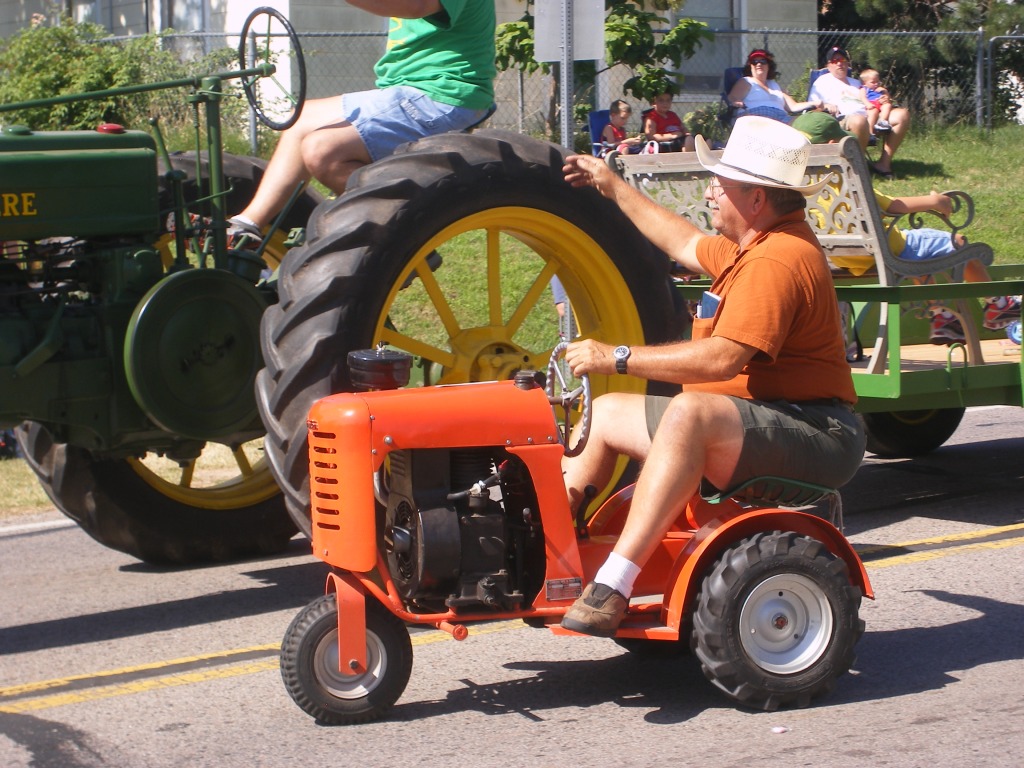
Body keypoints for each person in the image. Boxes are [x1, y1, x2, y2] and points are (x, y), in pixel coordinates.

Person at [557, 116, 865, 636]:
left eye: (719, 184)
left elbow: (722, 360)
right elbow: (681, 240)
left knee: (689, 412)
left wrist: (617, 356)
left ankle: (613, 582)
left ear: (756, 199)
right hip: (766, 419)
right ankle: (551, 547)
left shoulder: (779, 260)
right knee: (607, 414)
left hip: (817, 432)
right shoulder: (754, 246)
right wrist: (614, 189)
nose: (709, 191)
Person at [224, 0, 496, 248]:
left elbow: (416, 5)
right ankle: (246, 226)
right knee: (302, 118)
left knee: (324, 151)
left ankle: (404, 236)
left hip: (443, 96)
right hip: (407, 91)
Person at [790, 111, 1022, 344]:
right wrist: (936, 202)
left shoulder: (799, 183)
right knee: (958, 243)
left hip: (844, 258)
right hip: (889, 250)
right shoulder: (845, 179)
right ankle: (999, 304)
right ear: (833, 145)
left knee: (921, 254)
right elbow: (893, 206)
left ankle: (942, 318)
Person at [808, 46, 909, 180]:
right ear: (828, 64)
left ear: (847, 63)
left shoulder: (857, 83)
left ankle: (883, 164)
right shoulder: (822, 82)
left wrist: (883, 98)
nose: (839, 63)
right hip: (843, 120)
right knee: (859, 121)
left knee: (902, 114)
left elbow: (873, 97)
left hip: (870, 117)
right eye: (835, 60)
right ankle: (856, 171)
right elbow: (813, 105)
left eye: (843, 59)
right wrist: (826, 105)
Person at [726, 48, 821, 124]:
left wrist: (814, 103)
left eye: (763, 61)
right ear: (750, 65)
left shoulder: (774, 85)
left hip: (781, 119)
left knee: (806, 123)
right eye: (754, 61)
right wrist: (736, 102)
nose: (758, 64)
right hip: (757, 118)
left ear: (769, 65)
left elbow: (793, 106)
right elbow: (732, 97)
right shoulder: (746, 81)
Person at [859, 68, 893, 133]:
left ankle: (882, 122)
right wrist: (867, 104)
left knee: (888, 105)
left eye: (877, 81)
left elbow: (887, 97)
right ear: (864, 83)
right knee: (873, 113)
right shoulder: (864, 88)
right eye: (873, 82)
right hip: (872, 104)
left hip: (880, 103)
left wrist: (885, 93)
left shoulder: (879, 89)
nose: (876, 84)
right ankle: (870, 132)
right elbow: (863, 97)